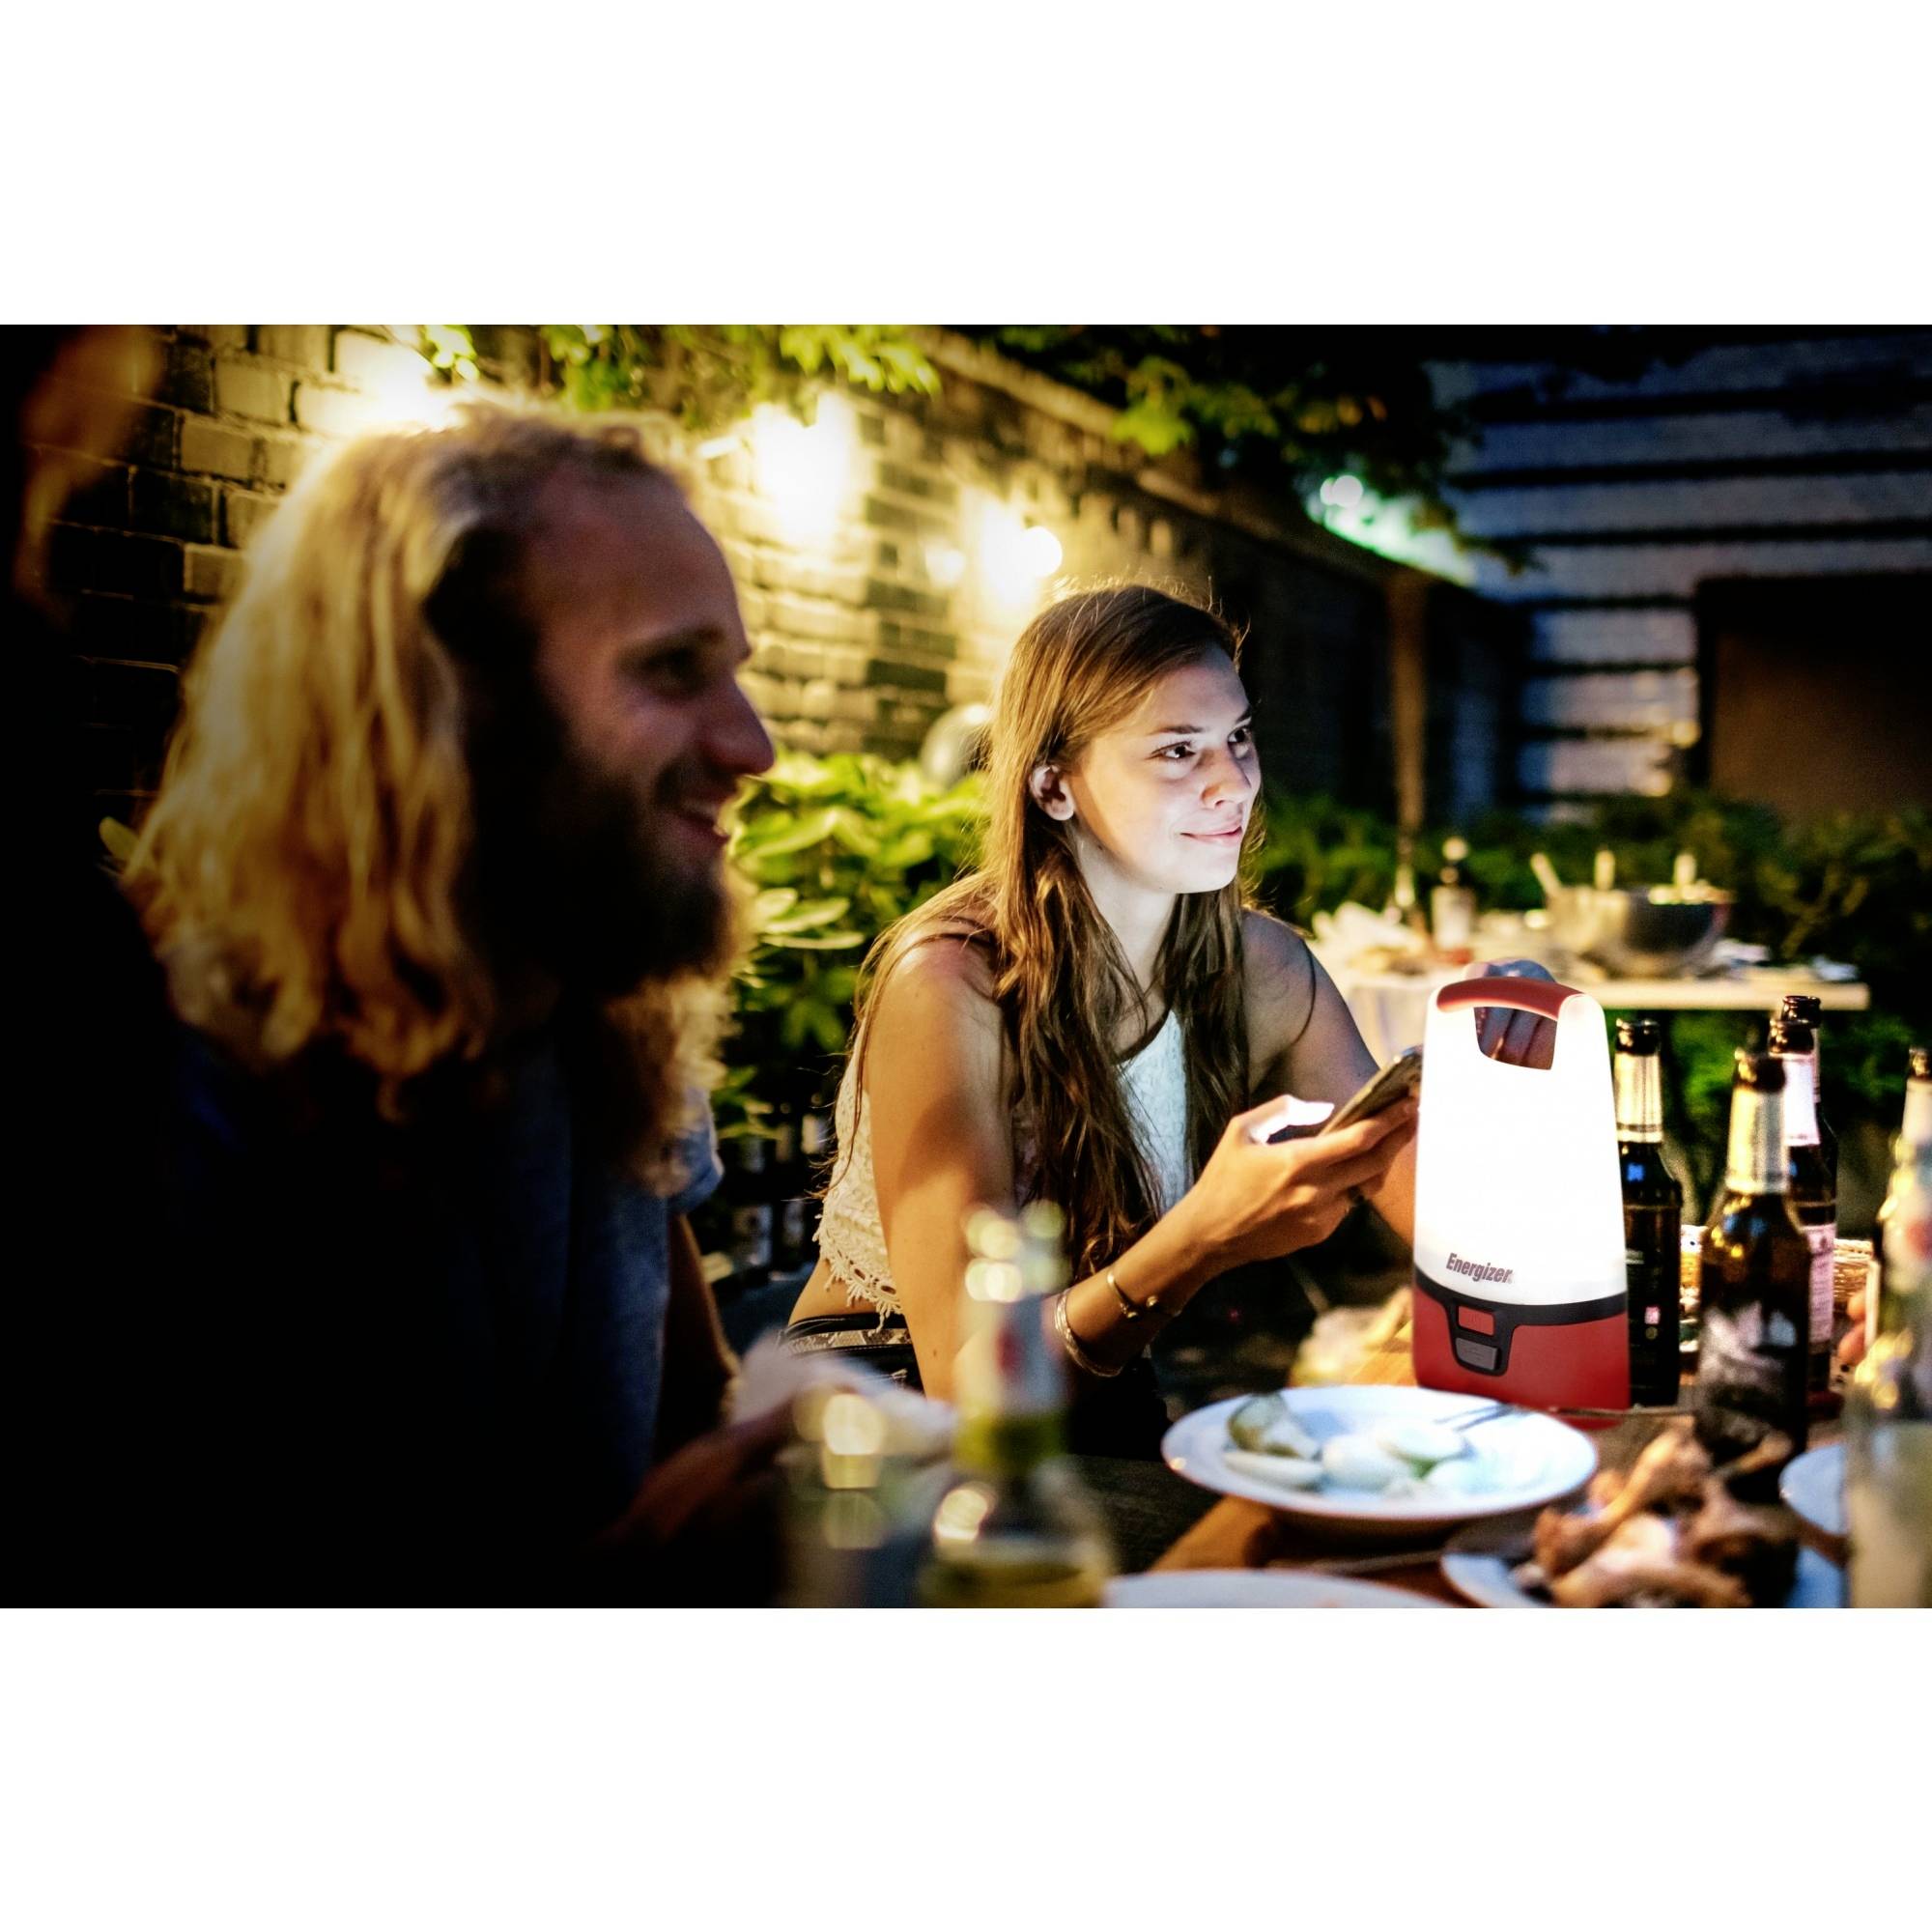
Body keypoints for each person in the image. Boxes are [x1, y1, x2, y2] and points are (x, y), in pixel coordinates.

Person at [15, 393, 788, 1598]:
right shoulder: (163, 1095)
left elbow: (691, 1414)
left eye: (732, 672)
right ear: (447, 702)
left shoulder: (608, 1020)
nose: (752, 744)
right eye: (671, 669)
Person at [781, 584, 1552, 1453]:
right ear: (1054, 786)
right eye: (1179, 751)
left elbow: (1462, 1240)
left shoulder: (1259, 966)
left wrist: (1504, 1078)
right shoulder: (953, 981)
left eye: (1238, 738)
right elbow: (967, 1384)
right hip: (883, 1412)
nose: (1234, 783)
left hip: (1092, 1386)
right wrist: (1200, 1241)